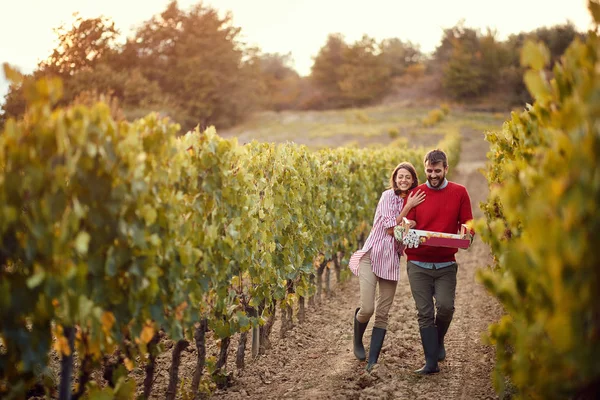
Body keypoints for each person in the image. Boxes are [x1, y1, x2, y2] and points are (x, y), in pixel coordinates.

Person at [349, 162, 425, 371]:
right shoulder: (387, 197)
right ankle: (357, 339)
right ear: (395, 178)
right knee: (367, 308)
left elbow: (414, 228)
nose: (403, 180)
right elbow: (392, 229)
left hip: (391, 261)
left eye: (407, 177)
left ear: (413, 180)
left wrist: (412, 219)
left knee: (383, 313)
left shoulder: (415, 201)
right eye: (400, 176)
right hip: (372, 256)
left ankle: (372, 361)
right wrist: (408, 208)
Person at [403, 149, 474, 375]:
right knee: (424, 313)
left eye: (437, 171)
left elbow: (468, 223)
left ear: (446, 169)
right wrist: (407, 226)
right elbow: (408, 223)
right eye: (429, 171)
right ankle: (430, 362)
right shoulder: (416, 193)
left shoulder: (459, 192)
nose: (432, 175)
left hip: (445, 264)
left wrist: (468, 234)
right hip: (418, 264)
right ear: (425, 169)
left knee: (445, 308)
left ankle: (437, 341)